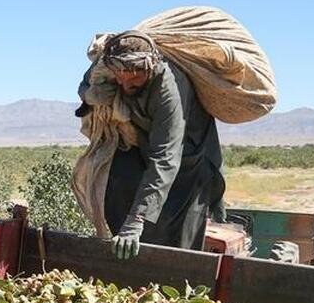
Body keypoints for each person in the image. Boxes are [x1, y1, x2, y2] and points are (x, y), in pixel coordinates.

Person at [78, 30, 226, 259]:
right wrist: (91, 96)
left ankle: (174, 286)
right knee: (117, 179)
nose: (127, 81)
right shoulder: (108, 66)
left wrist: (135, 221)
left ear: (151, 66)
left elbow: (165, 158)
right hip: (144, 145)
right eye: (121, 73)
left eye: (136, 74)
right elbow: (86, 86)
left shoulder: (169, 88)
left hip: (189, 161)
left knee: (177, 237)